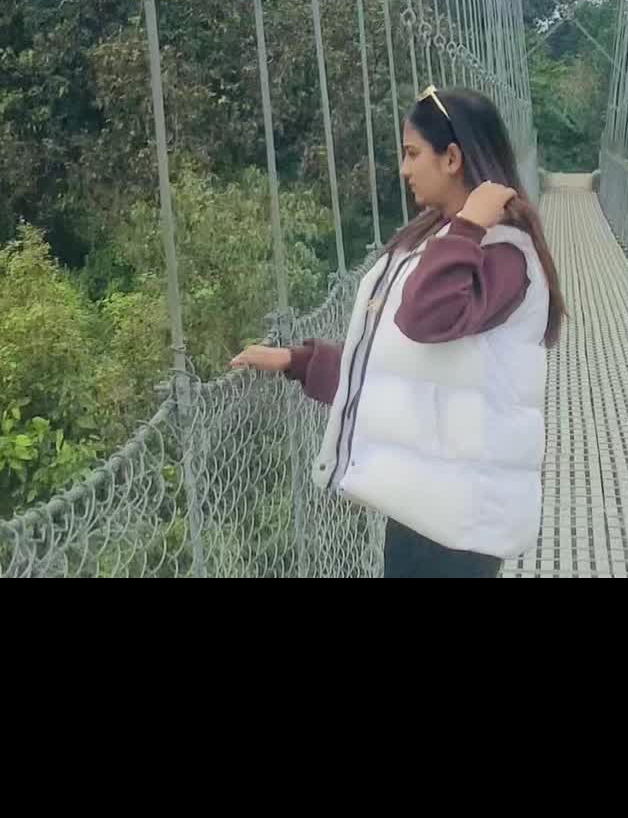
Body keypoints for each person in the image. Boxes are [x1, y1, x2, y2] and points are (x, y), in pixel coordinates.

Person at [231, 85, 565, 579]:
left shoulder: (503, 254)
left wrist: (470, 223)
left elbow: (424, 318)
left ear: (452, 158)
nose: (404, 169)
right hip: (425, 501)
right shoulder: (438, 236)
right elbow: (404, 365)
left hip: (461, 515)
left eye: (412, 153)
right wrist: (298, 361)